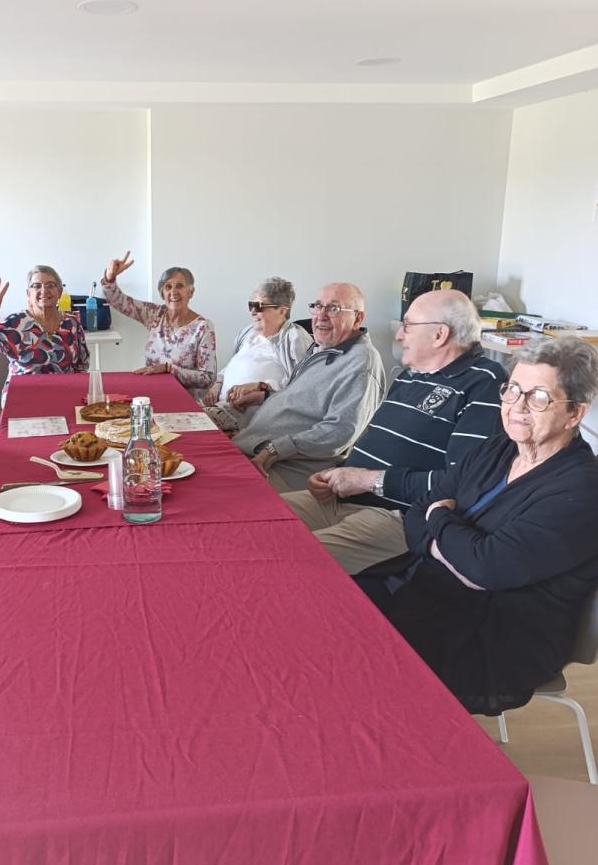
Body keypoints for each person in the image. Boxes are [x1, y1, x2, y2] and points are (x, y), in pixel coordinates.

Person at [359, 337, 598, 716]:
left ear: (574, 413)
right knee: (329, 613)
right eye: (513, 390)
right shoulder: (497, 448)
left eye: (538, 397)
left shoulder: (583, 490)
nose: (517, 407)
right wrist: (452, 544)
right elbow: (416, 514)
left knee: (358, 667)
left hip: (495, 636)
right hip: (429, 591)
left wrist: (440, 520)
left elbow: (486, 569)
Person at [283, 289, 507, 573]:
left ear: (439, 334)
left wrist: (368, 480)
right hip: (341, 498)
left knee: (286, 560)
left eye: (408, 326)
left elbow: (462, 484)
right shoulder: (410, 376)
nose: (399, 335)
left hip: (397, 516)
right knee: (249, 523)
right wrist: (338, 474)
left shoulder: (485, 382)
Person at [233, 282, 385, 491]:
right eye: (317, 306)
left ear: (358, 318)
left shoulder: (361, 362)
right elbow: (302, 399)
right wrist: (264, 397)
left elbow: (338, 432)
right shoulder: (323, 347)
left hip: (286, 469)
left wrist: (273, 450)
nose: (321, 315)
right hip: (253, 445)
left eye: (333, 308)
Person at [201, 277, 312, 433]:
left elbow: (303, 387)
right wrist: (218, 383)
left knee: (189, 422)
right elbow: (234, 364)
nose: (253, 311)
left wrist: (261, 389)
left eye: (259, 306)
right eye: (251, 305)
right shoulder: (249, 333)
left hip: (249, 417)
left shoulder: (294, 337)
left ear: (282, 310)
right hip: (220, 406)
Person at [101, 252, 216, 398]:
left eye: (180, 286)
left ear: (191, 292)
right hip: (151, 394)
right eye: (168, 287)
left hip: (184, 401)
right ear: (162, 294)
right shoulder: (155, 314)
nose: (173, 292)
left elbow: (207, 378)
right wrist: (110, 277)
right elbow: (120, 302)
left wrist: (169, 369)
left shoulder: (204, 327)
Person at [0, 265, 89, 400]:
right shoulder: (15, 323)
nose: (44, 290)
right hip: (22, 397)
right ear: (28, 294)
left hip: (62, 395)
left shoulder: (72, 323)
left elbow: (82, 365)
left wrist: (77, 394)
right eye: (36, 286)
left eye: (51, 285)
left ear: (60, 292)